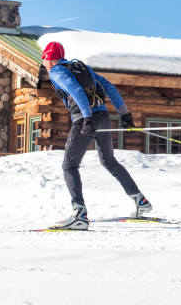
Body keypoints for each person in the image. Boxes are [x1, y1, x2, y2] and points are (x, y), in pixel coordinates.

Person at [42, 41, 151, 230]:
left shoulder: (56, 72)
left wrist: (87, 118)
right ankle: (139, 200)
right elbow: (109, 87)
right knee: (108, 160)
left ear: (49, 59)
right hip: (103, 116)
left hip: (86, 119)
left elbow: (75, 90)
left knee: (69, 165)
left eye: (44, 59)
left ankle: (79, 213)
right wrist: (125, 114)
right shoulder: (81, 68)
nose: (44, 63)